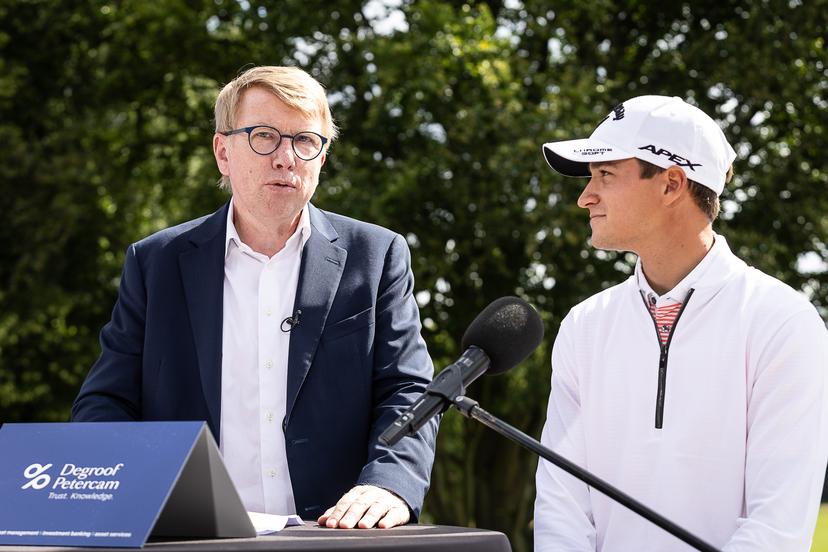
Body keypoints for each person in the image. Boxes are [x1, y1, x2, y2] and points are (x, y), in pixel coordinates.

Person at [72, 66, 437, 530]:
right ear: (223, 152)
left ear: (321, 158)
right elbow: (104, 404)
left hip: (337, 535)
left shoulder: (377, 255)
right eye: (264, 136)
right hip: (195, 536)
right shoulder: (156, 263)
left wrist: (391, 483)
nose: (286, 157)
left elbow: (409, 391)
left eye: (305, 140)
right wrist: (137, 491)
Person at [534, 95, 828, 550]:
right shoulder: (584, 325)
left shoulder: (782, 321)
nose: (584, 197)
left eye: (605, 175)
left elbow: (777, 525)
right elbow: (562, 506)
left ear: (672, 184)